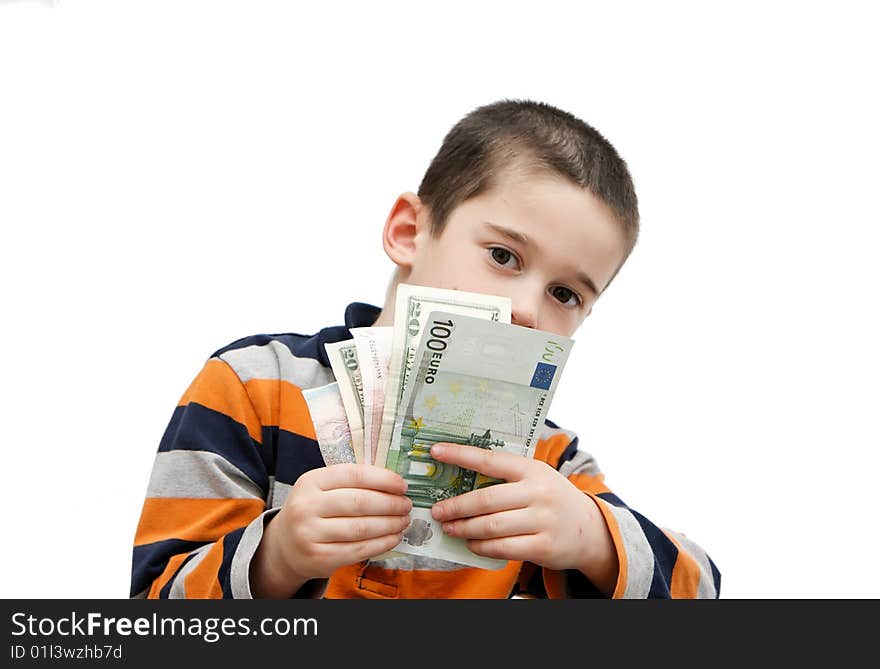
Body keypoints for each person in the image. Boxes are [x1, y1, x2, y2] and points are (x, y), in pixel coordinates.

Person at [130, 99, 721, 599]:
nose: (526, 310)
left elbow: (702, 589)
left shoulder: (548, 465)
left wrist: (589, 538)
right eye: (503, 256)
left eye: (565, 293)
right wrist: (275, 557)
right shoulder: (252, 386)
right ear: (409, 231)